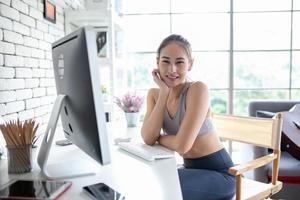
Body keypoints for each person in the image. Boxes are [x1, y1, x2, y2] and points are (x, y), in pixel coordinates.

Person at [141, 34, 236, 200]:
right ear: (157, 63)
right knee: (147, 181)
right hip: (192, 170)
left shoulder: (198, 90)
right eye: (165, 61)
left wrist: (160, 138)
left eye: (179, 62)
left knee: (161, 190)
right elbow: (148, 138)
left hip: (220, 174)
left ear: (190, 64)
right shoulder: (155, 94)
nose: (172, 70)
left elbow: (182, 146)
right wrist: (164, 93)